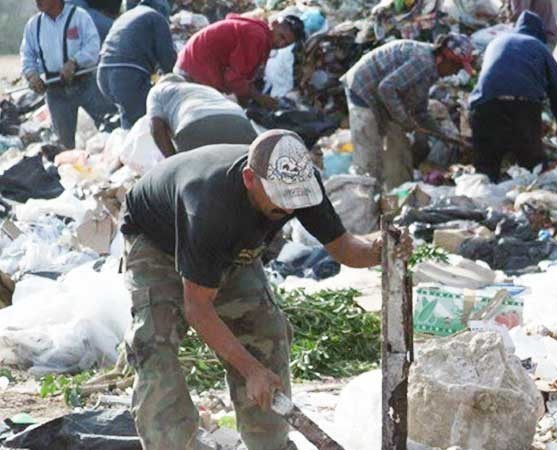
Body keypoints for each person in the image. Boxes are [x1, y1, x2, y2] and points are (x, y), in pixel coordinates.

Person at [121, 130, 396, 450]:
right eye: (281, 199)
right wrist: (251, 371)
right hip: (157, 241)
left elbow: (346, 249)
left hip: (228, 244)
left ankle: (270, 445)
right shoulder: (209, 206)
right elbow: (198, 308)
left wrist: (382, 248)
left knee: (265, 332)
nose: (290, 208)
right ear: (250, 179)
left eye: (296, 200)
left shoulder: (300, 184)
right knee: (155, 346)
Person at [342, 33, 475, 190]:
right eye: (457, 67)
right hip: (363, 90)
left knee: (400, 153)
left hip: (382, 98)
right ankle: (363, 198)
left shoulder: (431, 69)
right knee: (369, 160)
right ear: (445, 59)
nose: (455, 73)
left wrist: (445, 136)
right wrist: (404, 120)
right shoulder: (423, 63)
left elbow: (420, 112)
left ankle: (397, 194)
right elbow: (386, 88)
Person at [469, 11, 557, 182]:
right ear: (539, 33)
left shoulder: (496, 42)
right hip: (522, 107)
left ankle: (483, 195)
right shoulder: (539, 47)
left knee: (485, 170)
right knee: (533, 169)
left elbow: (486, 80)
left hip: (484, 106)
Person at [19, 0, 116, 149]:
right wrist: (31, 75)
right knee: (64, 144)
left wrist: (75, 61)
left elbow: (93, 46)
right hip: (55, 92)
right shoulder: (34, 25)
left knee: (111, 128)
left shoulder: (79, 17)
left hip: (85, 84)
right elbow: (27, 55)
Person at [174, 13, 305, 109]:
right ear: (274, 24)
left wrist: (251, 95)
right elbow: (234, 79)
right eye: (281, 37)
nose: (280, 44)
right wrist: (259, 98)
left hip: (191, 65)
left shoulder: (260, 35)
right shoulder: (257, 37)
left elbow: (241, 76)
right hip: (194, 71)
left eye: (286, 44)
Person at [97, 0, 176, 129]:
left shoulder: (127, 15)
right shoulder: (156, 17)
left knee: (129, 119)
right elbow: (167, 59)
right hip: (126, 75)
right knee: (147, 121)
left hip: (103, 74)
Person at [147, 74, 258, 156]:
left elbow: (156, 127)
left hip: (194, 123)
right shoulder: (204, 88)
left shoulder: (157, 90)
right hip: (239, 121)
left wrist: (173, 162)